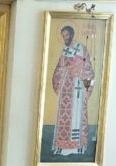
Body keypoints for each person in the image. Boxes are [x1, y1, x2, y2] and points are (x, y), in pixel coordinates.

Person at [50, 24, 94, 156]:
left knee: (77, 116)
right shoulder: (64, 51)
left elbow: (88, 68)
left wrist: (80, 73)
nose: (65, 38)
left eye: (67, 35)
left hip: (78, 86)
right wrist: (63, 73)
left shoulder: (81, 49)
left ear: (72, 34)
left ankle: (78, 146)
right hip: (66, 88)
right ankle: (62, 146)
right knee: (65, 116)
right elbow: (59, 68)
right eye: (63, 36)